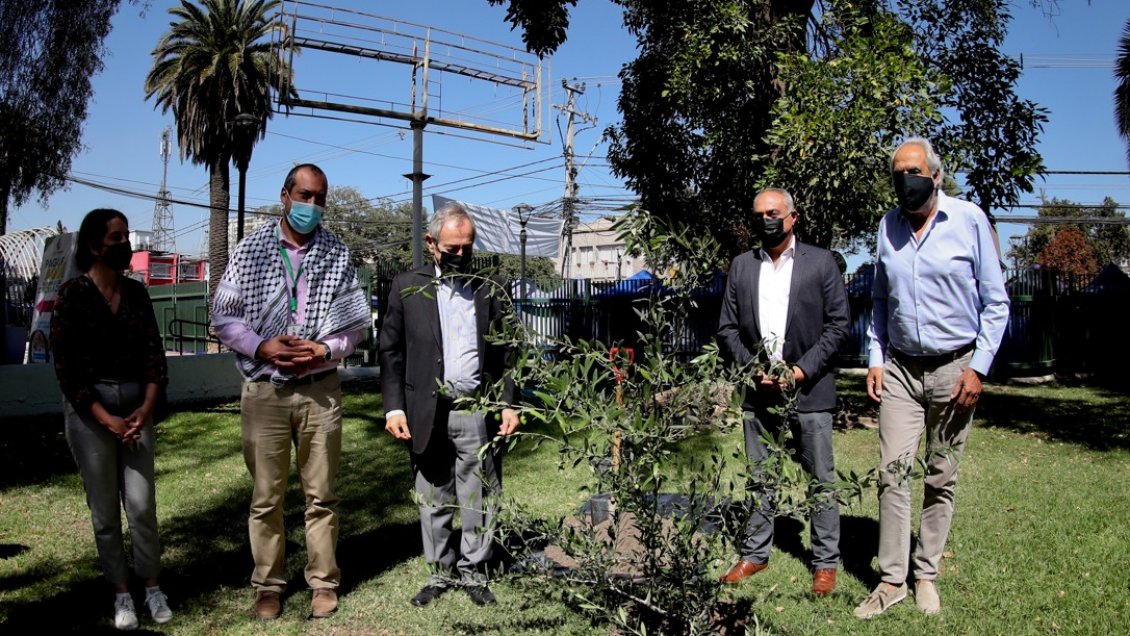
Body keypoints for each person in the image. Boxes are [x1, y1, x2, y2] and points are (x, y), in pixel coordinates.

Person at [853, 138, 1009, 619]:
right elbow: (880, 300)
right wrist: (875, 358)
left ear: (936, 175)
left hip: (954, 369)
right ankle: (892, 580)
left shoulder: (969, 220)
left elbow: (996, 301)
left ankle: (927, 574)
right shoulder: (887, 225)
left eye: (914, 171)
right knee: (891, 473)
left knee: (941, 475)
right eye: (898, 172)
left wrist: (978, 367)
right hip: (900, 367)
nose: (906, 180)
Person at [212, 163, 370, 620]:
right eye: (305, 196)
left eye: (320, 198)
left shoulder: (337, 252)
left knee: (321, 496)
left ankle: (323, 582)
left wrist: (322, 347)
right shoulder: (252, 248)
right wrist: (263, 346)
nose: (312, 206)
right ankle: (268, 586)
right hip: (265, 391)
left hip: (320, 389)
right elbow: (225, 316)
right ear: (285, 196)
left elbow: (356, 327)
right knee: (266, 497)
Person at [379, 202, 520, 607]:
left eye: (468, 247)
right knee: (433, 496)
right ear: (431, 243)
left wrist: (510, 404)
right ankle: (439, 573)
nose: (461, 254)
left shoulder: (489, 289)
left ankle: (474, 572)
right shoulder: (407, 286)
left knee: (479, 495)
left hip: (476, 410)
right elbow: (390, 351)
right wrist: (394, 408)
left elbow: (508, 352)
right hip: (426, 410)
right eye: (453, 247)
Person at [717, 188, 850, 596]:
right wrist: (753, 368)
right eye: (759, 215)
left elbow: (838, 325)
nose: (766, 221)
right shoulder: (741, 266)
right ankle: (755, 553)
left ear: (792, 217)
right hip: (760, 393)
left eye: (773, 213)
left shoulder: (822, 263)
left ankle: (825, 562)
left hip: (808, 392)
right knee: (760, 477)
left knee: (820, 479)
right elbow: (726, 329)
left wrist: (800, 371)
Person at [50, 209, 173, 630]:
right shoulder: (72, 297)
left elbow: (155, 357)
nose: (126, 245)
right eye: (116, 237)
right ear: (92, 246)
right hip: (91, 413)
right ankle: (122, 593)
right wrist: (106, 419)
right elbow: (68, 372)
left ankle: (152, 586)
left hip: (138, 407)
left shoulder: (137, 294)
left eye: (126, 236)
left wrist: (146, 407)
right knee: (104, 511)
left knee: (141, 505)